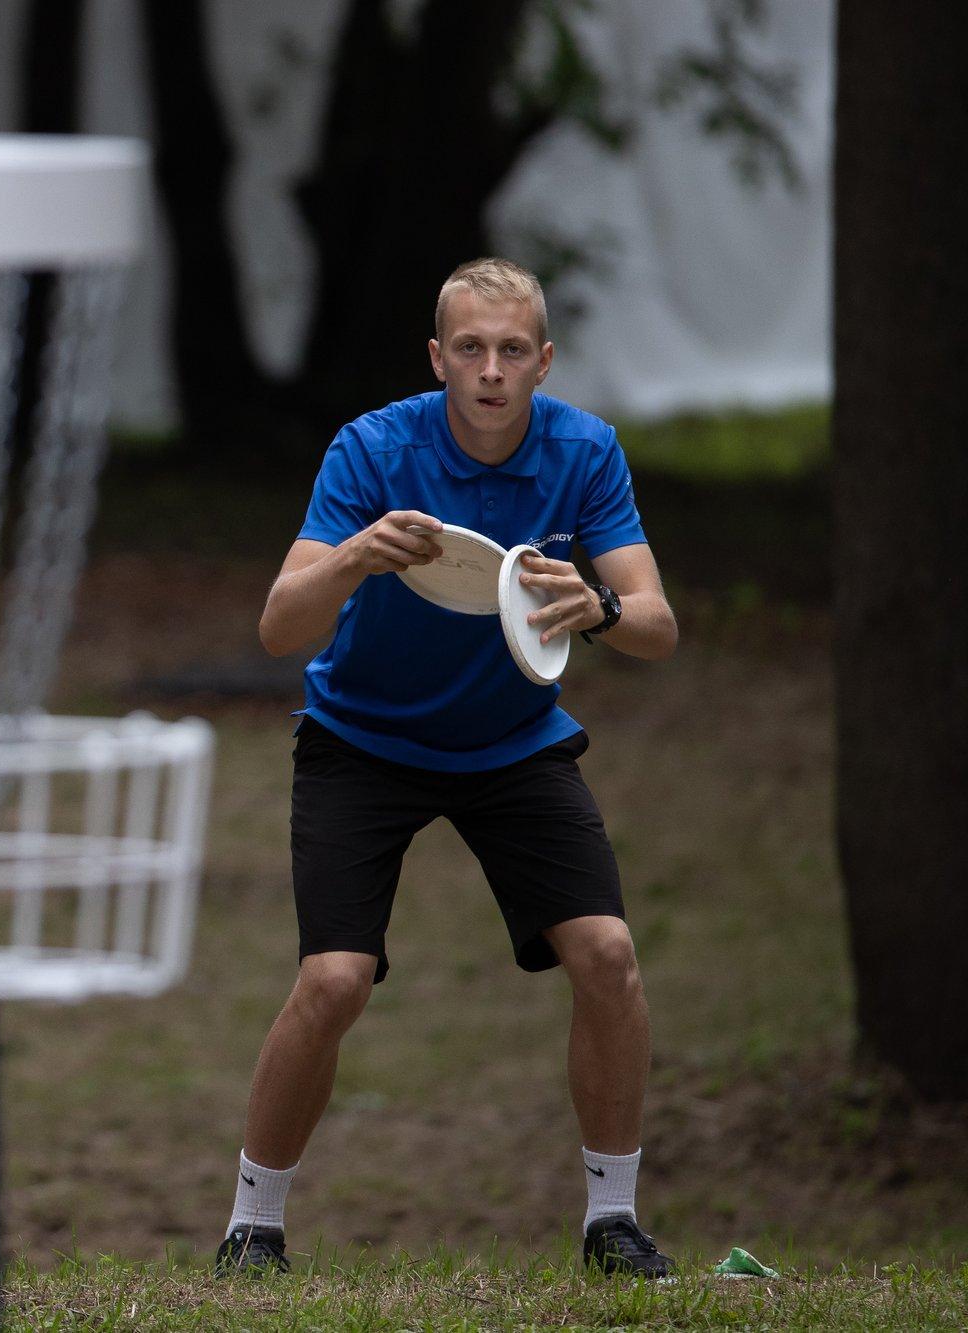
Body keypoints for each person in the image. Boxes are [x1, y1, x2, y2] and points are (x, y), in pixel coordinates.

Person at [214, 258, 680, 1279]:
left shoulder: (583, 451)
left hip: (512, 743)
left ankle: (611, 1220)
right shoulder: (372, 448)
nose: (490, 370)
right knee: (333, 979)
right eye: (469, 348)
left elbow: (656, 624)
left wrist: (598, 607)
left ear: (544, 361)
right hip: (360, 740)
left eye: (512, 350)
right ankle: (252, 1227)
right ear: (437, 358)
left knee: (607, 954)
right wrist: (354, 554)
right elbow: (277, 626)